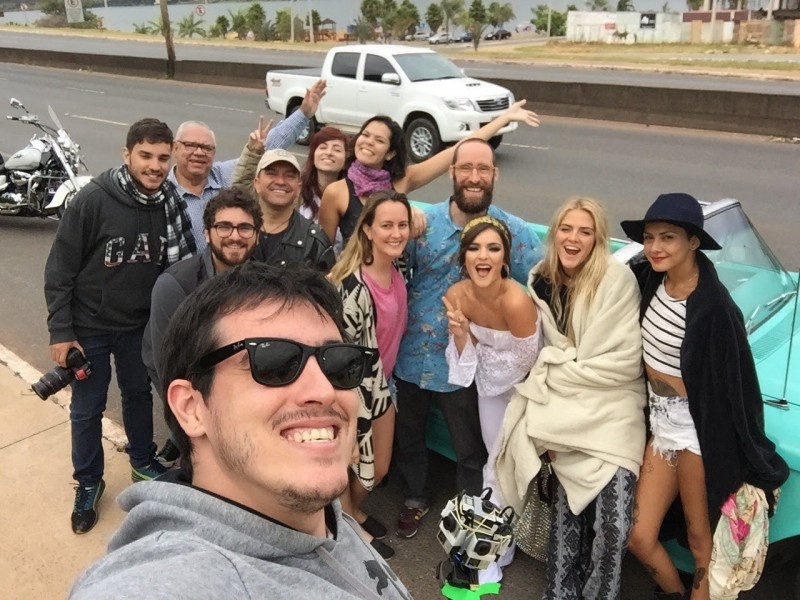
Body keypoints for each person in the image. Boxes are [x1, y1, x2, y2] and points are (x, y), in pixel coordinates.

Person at [69, 263, 413, 600]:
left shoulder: (318, 513)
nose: (324, 391)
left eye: (338, 363)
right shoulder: (172, 579)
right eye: (276, 364)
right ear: (191, 408)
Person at [621, 193, 789, 600]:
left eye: (668, 237)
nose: (655, 247)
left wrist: (751, 451)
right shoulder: (650, 279)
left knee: (700, 542)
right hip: (660, 426)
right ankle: (674, 593)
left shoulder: (715, 309)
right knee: (638, 536)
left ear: (693, 242)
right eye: (649, 237)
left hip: (695, 433)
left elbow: (739, 385)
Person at [44, 118, 192, 534]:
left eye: (163, 158)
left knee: (138, 395)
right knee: (87, 408)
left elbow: (178, 270)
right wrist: (61, 331)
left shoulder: (170, 204)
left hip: (137, 324)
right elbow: (60, 269)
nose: (155, 166)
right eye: (145, 155)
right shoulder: (93, 200)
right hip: (88, 325)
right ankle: (89, 481)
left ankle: (142, 461)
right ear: (127, 154)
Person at [495, 197, 647, 600]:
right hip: (564, 409)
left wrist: (556, 369)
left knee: (614, 527)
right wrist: (558, 369)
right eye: (566, 229)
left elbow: (622, 364)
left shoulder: (616, 280)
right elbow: (547, 348)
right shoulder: (541, 280)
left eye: (585, 231)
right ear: (555, 233)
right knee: (566, 517)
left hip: (613, 409)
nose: (573, 238)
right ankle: (560, 591)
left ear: (598, 238)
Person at [392, 138, 543, 539]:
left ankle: (472, 513)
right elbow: (383, 249)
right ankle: (415, 497)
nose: (474, 177)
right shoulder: (422, 223)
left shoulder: (514, 232)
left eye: (483, 169)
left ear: (495, 175)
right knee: (410, 436)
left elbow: (543, 282)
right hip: (410, 354)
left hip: (464, 362)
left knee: (469, 447)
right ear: (452, 172)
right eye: (466, 168)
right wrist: (404, 213)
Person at [442, 215, 541, 584]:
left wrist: (479, 352)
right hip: (490, 390)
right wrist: (461, 335)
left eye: (493, 248)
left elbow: (525, 363)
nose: (483, 256)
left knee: (508, 466)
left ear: (505, 258)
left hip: (527, 392)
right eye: (474, 248)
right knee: (494, 463)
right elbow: (463, 363)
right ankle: (498, 544)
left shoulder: (516, 301)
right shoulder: (457, 296)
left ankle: (492, 550)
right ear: (464, 257)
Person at [142, 188, 263, 467]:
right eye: (224, 226)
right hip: (189, 378)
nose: (235, 236)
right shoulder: (176, 285)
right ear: (207, 233)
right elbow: (168, 366)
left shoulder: (262, 282)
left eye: (245, 228)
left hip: (237, 376)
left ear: (257, 235)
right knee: (205, 457)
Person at [318, 100, 541, 247]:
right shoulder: (337, 192)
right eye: (365, 135)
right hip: (354, 286)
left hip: (393, 282)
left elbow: (456, 151)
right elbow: (323, 250)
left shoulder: (402, 181)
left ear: (390, 152)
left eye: (379, 140)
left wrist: (504, 118)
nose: (368, 142)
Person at [328, 190, 412, 560]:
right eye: (387, 225)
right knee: (350, 464)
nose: (396, 233)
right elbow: (339, 355)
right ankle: (349, 526)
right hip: (354, 389)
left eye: (402, 225)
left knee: (378, 469)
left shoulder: (397, 268)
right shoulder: (351, 286)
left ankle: (350, 512)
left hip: (384, 384)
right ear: (367, 230)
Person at [170, 79, 325, 252]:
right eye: (190, 145)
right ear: (175, 148)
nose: (199, 153)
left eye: (207, 148)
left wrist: (303, 114)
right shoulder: (162, 192)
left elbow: (266, 149)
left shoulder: (224, 175)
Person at [233, 129, 335, 271]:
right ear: (257, 183)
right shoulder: (232, 231)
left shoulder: (314, 241)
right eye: (272, 173)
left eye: (289, 176)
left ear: (299, 187)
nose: (280, 181)